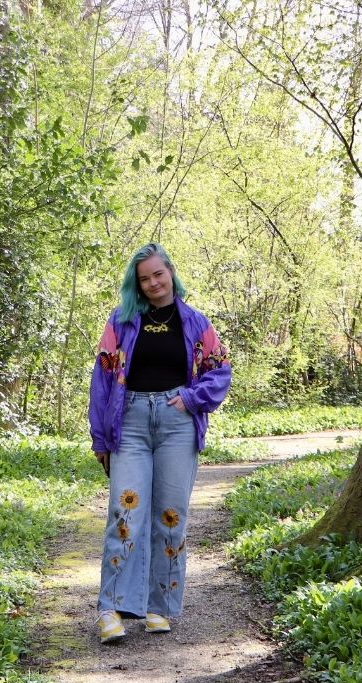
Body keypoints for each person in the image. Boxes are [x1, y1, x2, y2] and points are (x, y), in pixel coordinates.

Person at [88, 242, 231, 643]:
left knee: (170, 516)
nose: (153, 283)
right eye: (144, 278)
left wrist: (191, 398)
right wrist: (100, 438)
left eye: (158, 274)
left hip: (176, 425)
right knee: (125, 512)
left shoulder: (196, 323)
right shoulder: (121, 322)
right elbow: (102, 381)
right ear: (136, 284)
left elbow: (220, 371)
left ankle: (159, 607)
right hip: (130, 423)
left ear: (170, 273)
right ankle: (111, 608)